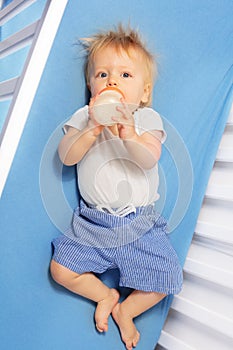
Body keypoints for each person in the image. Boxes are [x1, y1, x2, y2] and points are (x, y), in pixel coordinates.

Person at [50, 24, 182, 350]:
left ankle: (127, 310)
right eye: (103, 74)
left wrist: (130, 135)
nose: (112, 81)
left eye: (125, 75)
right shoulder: (84, 116)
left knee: (166, 280)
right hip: (94, 222)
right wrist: (92, 127)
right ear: (91, 88)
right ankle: (104, 293)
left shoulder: (147, 119)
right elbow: (67, 156)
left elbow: (149, 158)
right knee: (60, 270)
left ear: (144, 93)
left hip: (139, 224)